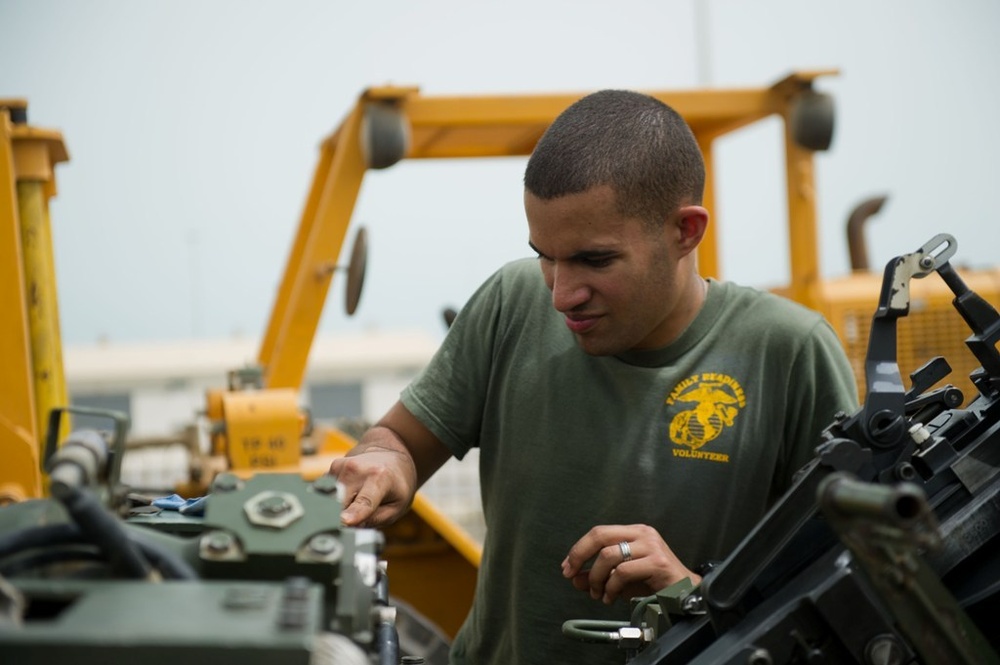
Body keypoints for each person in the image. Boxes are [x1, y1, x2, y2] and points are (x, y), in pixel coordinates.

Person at [329, 89, 858, 665]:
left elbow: (843, 586)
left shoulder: (788, 352)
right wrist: (385, 463)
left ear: (686, 231)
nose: (561, 295)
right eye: (546, 257)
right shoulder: (512, 301)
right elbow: (401, 441)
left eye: (594, 260)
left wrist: (692, 591)